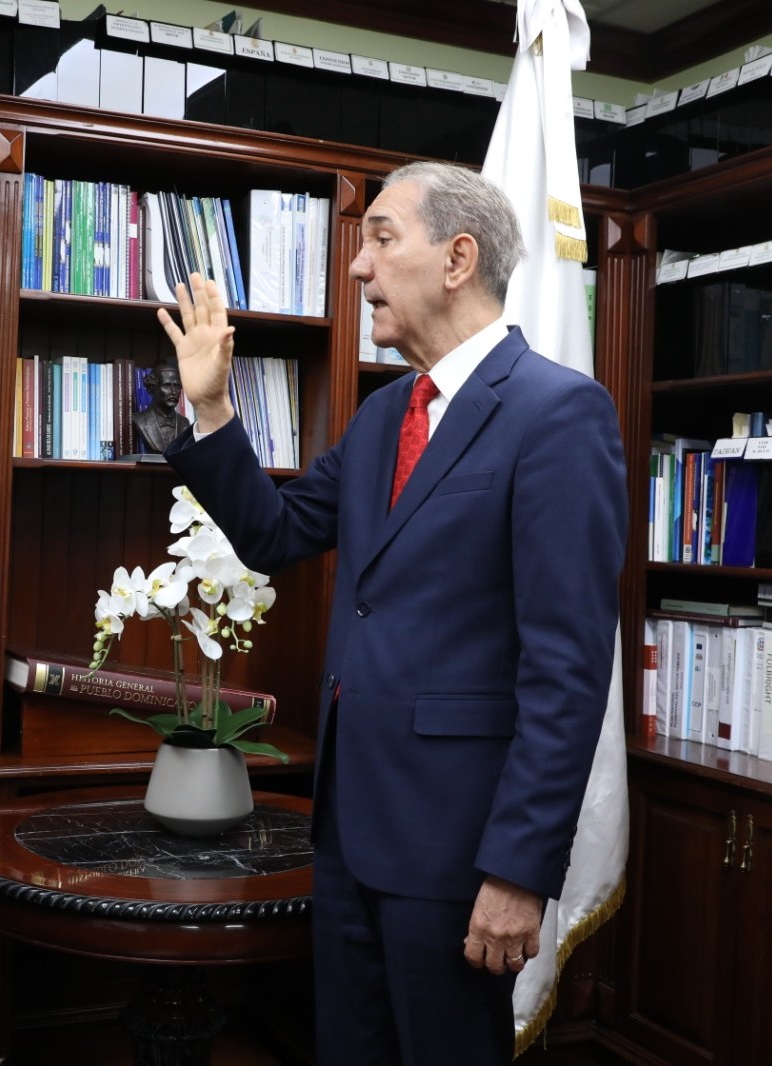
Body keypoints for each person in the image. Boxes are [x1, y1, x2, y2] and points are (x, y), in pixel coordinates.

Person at [157, 162, 627, 1066]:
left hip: (458, 853)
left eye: (380, 238)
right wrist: (210, 408)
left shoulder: (558, 413)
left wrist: (517, 871)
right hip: (349, 836)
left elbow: (567, 672)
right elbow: (274, 533)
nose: (357, 267)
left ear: (457, 259)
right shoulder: (382, 416)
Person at [131, 363, 191, 453]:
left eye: (177, 386)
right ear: (151, 388)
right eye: (166, 385)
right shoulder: (140, 419)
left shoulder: (185, 423)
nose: (173, 391)